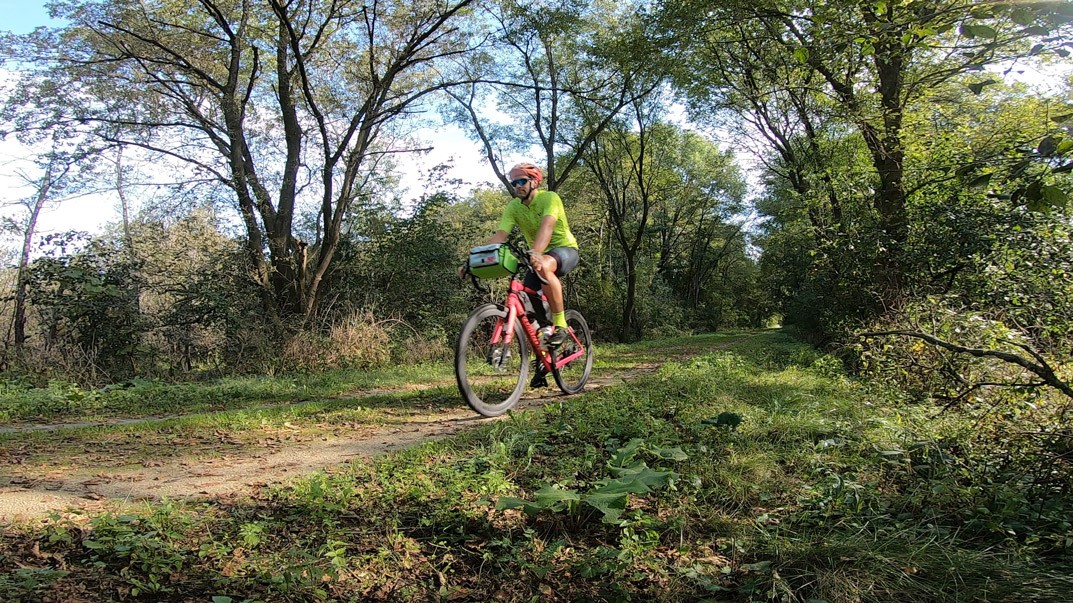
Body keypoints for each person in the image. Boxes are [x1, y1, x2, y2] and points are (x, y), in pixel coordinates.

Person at [471, 162, 580, 384]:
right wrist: (474, 260)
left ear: (534, 181)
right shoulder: (514, 207)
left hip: (563, 250)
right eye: (514, 183)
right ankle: (544, 357)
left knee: (543, 266)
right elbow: (501, 235)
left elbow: (547, 226)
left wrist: (538, 253)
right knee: (526, 304)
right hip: (536, 254)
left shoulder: (550, 198)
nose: (517, 186)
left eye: (522, 181)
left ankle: (561, 326)